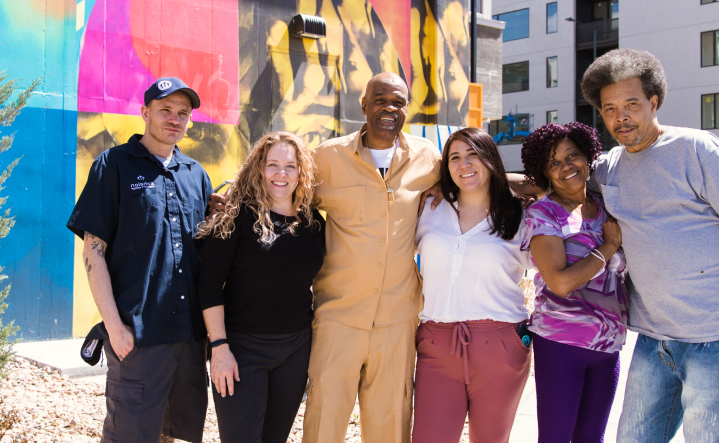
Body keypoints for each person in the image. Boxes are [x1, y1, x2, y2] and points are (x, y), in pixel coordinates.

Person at [580, 49, 719, 442]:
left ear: (653, 103)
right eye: (610, 109)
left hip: (718, 341)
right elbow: (551, 183)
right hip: (654, 341)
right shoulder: (607, 168)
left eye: (632, 104)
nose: (621, 118)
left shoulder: (697, 150)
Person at [67, 77, 215, 443]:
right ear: (145, 112)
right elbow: (93, 251)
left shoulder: (196, 175)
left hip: (190, 341)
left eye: (183, 113)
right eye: (165, 110)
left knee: (178, 437)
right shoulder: (113, 165)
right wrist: (114, 327)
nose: (174, 119)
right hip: (138, 339)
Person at [303, 72, 440, 443]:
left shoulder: (428, 157)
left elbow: (471, 182)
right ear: (363, 105)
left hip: (398, 319)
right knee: (323, 422)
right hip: (338, 316)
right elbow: (288, 202)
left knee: (390, 426)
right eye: (380, 99)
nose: (389, 108)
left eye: (398, 102)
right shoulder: (327, 158)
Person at [196, 131, 325, 443]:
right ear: (259, 168)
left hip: (295, 349)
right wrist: (219, 347)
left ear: (301, 171)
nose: (281, 174)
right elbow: (209, 285)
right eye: (272, 165)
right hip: (242, 349)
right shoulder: (235, 216)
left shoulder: (313, 223)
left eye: (291, 166)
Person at [410, 128, 532, 443]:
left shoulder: (520, 216)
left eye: (474, 154)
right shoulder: (429, 209)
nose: (465, 164)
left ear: (490, 158)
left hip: (500, 346)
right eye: (455, 157)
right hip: (437, 346)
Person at [519, 122, 629, 443]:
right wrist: (607, 248)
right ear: (544, 173)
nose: (567, 166)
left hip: (608, 345)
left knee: (592, 439)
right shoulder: (544, 214)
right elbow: (560, 283)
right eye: (554, 162)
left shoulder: (605, 205)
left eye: (573, 155)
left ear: (588, 156)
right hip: (561, 344)